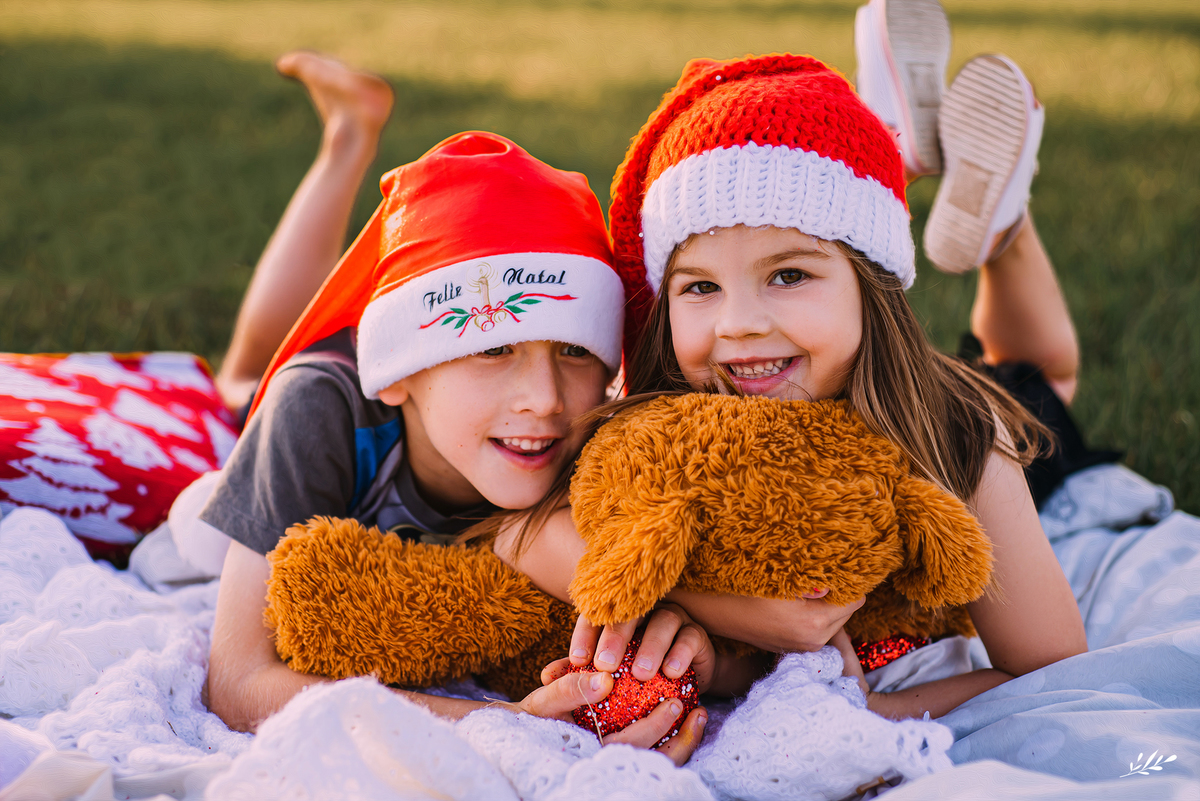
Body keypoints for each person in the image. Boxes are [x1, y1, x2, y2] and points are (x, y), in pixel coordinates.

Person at [498, 13, 1092, 720]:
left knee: (1041, 377)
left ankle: (1004, 227)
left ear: (871, 288)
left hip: (943, 404)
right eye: (699, 286)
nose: (738, 322)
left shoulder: (959, 432)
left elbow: (1054, 672)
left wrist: (868, 708)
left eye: (787, 275)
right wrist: (736, 613)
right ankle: (896, 150)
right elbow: (519, 532)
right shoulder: (658, 423)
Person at [198, 54, 711, 760]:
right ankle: (349, 134)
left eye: (574, 351)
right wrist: (510, 727)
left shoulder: (597, 436)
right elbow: (238, 682)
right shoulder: (317, 412)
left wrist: (689, 648)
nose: (545, 401)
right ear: (401, 370)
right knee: (241, 383)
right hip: (293, 401)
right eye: (494, 351)